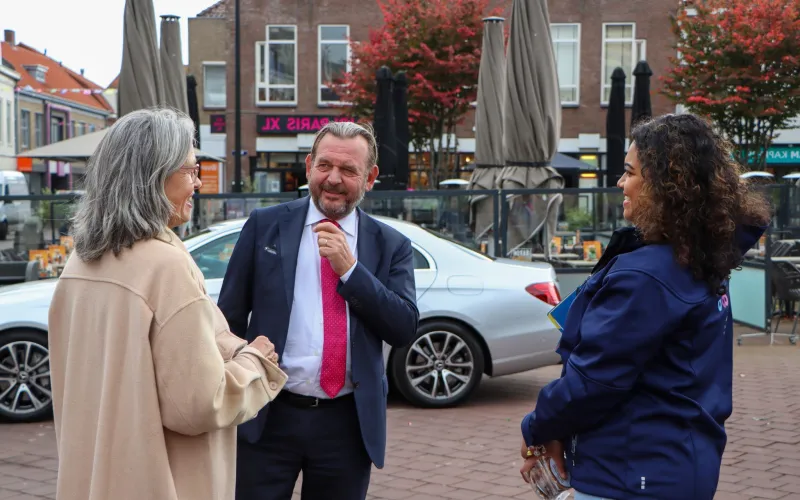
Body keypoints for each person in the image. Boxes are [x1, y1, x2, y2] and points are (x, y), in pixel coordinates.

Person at [518, 113, 771, 500]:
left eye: (629, 172)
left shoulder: (647, 276)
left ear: (666, 185)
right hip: (681, 463)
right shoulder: (702, 259)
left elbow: (594, 381)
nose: (621, 183)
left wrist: (536, 427)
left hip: (632, 473)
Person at [48, 108, 288, 500]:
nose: (197, 184)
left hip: (93, 478)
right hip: (164, 481)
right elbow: (199, 404)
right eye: (190, 171)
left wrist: (228, 348)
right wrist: (255, 364)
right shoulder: (166, 265)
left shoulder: (82, 261)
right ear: (152, 177)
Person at [217, 121, 419, 500]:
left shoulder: (390, 244)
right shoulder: (265, 226)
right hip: (267, 412)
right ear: (309, 165)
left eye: (348, 170)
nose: (333, 179)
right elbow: (227, 317)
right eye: (325, 165)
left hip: (346, 422)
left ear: (370, 177)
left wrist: (352, 271)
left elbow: (403, 327)